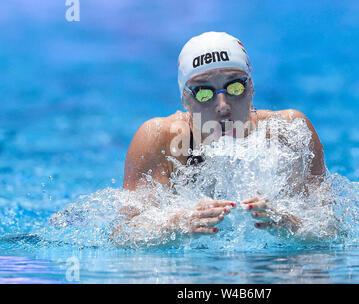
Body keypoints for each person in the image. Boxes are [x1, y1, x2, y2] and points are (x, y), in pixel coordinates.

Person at [119, 32, 326, 239]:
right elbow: (124, 235)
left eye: (235, 87)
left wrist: (290, 225)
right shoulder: (159, 139)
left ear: (251, 87)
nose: (223, 106)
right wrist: (175, 226)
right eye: (204, 92)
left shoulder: (289, 132)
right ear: (185, 100)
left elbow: (329, 228)